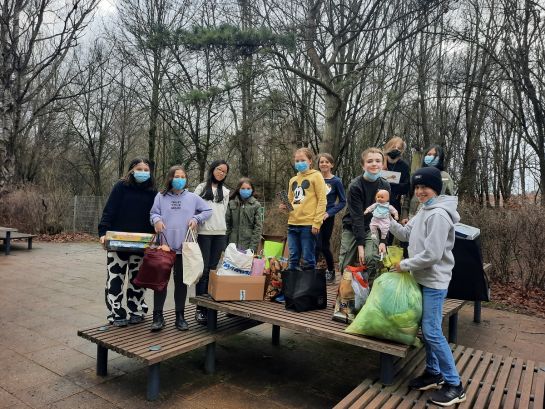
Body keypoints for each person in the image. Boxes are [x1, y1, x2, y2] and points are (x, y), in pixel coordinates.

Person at [389, 167, 465, 407]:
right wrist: (386, 220)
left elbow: (432, 255)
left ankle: (455, 385)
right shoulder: (424, 209)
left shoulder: (439, 215)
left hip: (434, 281)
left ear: (436, 188)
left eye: (426, 187)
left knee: (432, 331)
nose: (421, 191)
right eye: (418, 187)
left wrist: (404, 264)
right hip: (420, 278)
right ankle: (433, 373)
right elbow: (404, 234)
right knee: (426, 328)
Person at [149, 165, 212, 332]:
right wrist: (156, 220)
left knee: (181, 284)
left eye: (183, 176)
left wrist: (196, 219)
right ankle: (157, 317)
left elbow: (207, 210)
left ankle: (180, 316)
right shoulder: (161, 197)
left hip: (183, 249)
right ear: (170, 178)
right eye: (177, 176)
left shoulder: (192, 197)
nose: (180, 179)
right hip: (164, 248)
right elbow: (153, 213)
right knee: (160, 283)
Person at [98, 158, 157, 327]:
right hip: (118, 241)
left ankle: (137, 310)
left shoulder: (153, 191)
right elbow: (109, 210)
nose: (143, 172)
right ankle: (116, 312)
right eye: (139, 168)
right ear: (131, 170)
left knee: (138, 279)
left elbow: (155, 216)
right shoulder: (121, 187)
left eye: (146, 169)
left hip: (142, 243)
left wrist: (155, 236)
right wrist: (102, 232)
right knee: (115, 278)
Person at [338, 148, 391, 277]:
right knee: (346, 264)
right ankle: (345, 295)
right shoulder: (355, 186)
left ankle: (371, 293)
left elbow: (385, 216)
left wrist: (384, 240)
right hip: (353, 226)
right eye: (370, 161)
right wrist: (360, 246)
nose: (374, 164)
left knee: (372, 258)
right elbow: (357, 218)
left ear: (383, 164)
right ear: (363, 165)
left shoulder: (385, 185)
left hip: (373, 227)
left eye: (378, 161)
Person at [194, 160, 230, 325]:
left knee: (215, 271)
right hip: (204, 233)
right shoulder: (201, 188)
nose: (221, 173)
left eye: (224, 171)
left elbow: (222, 213)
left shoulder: (226, 191)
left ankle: (210, 306)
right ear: (212, 169)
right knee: (204, 270)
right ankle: (200, 308)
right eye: (218, 169)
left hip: (220, 234)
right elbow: (194, 209)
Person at [280, 147, 327, 272]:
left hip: (308, 224)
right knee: (293, 258)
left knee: (307, 259)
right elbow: (291, 202)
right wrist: (285, 207)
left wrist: (317, 222)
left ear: (310, 161)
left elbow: (322, 200)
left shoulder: (316, 176)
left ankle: (308, 289)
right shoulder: (293, 180)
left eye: (302, 160)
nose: (299, 163)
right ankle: (294, 289)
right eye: (297, 160)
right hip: (292, 224)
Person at [315, 153, 346, 283]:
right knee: (315, 245)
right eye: (321, 162)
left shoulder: (336, 181)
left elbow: (342, 202)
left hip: (327, 217)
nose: (324, 164)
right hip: (313, 217)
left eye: (327, 162)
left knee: (323, 245)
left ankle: (331, 271)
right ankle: (311, 271)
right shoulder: (314, 179)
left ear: (331, 165)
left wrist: (329, 213)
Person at [406, 145, 454, 220]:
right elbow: (409, 195)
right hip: (412, 216)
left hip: (432, 217)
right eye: (429, 155)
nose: (431, 157)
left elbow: (450, 201)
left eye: (435, 155)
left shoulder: (444, 176)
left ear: (440, 158)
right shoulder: (418, 174)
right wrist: (405, 215)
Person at [383, 137, 410, 243]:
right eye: (393, 147)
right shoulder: (379, 162)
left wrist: (391, 184)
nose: (396, 149)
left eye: (399, 148)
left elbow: (406, 187)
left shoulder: (404, 166)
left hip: (393, 205)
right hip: (376, 203)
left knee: (388, 238)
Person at [226, 177, 263, 253]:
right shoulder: (231, 203)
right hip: (232, 243)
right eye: (243, 188)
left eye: (248, 188)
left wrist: (252, 247)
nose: (245, 190)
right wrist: (225, 243)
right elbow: (227, 224)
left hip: (248, 244)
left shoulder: (256, 205)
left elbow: (258, 228)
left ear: (252, 189)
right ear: (238, 189)